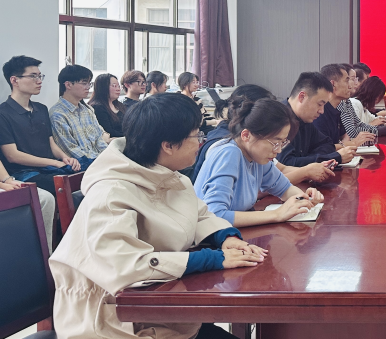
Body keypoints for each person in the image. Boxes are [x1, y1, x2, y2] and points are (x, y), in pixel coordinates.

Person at [49, 92, 266, 339]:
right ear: (168, 145)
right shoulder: (110, 194)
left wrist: (225, 237)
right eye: (196, 136)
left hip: (160, 311)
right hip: (112, 322)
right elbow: (126, 266)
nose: (200, 142)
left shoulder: (169, 175)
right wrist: (211, 259)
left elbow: (199, 215)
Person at [195, 96, 323, 226]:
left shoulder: (257, 157)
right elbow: (215, 215)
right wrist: (277, 214)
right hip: (209, 234)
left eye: (282, 143)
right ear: (246, 135)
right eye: (275, 143)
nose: (278, 150)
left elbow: (284, 189)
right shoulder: (229, 154)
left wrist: (304, 198)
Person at [199, 83, 336, 186]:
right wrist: (305, 173)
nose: (278, 149)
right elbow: (258, 188)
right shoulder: (226, 147)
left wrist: (311, 170)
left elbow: (279, 171)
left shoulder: (254, 143)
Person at [0, 55, 79, 194]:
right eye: (33, 76)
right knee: (65, 187)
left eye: (39, 76)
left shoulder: (41, 109)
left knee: (87, 177)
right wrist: (54, 162)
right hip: (24, 173)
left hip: (49, 169)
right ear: (14, 80)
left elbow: (50, 142)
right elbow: (12, 156)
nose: (39, 81)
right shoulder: (3, 113)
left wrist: (64, 157)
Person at [279, 72, 356, 168]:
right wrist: (334, 158)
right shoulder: (278, 119)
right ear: (302, 97)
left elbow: (327, 144)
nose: (322, 111)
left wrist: (309, 159)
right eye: (320, 104)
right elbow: (286, 164)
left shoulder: (305, 120)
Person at [50, 65, 108, 170]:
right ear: (68, 85)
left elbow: (99, 140)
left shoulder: (87, 110)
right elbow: (71, 150)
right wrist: (102, 162)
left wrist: (109, 157)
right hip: (82, 166)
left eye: (89, 83)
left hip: (99, 161)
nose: (88, 87)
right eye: (84, 83)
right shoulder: (58, 114)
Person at [314, 64, 376, 147]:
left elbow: (345, 135)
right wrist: (352, 143)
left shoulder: (338, 109)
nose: (350, 86)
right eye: (347, 81)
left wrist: (344, 144)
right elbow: (323, 149)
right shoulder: (320, 113)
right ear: (333, 84)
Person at [89, 73, 125, 138]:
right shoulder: (98, 107)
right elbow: (108, 132)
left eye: (118, 86)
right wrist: (129, 135)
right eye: (114, 86)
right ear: (103, 87)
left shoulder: (120, 105)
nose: (118, 89)